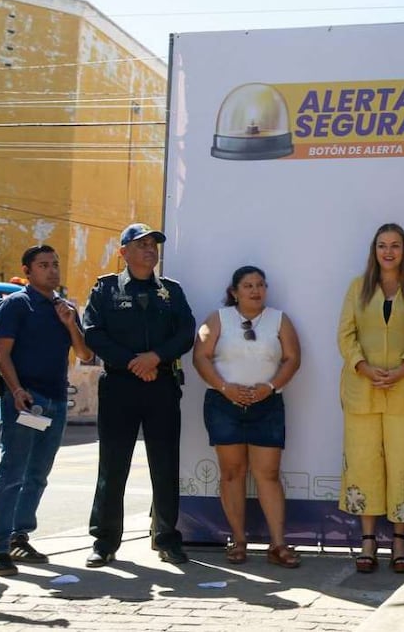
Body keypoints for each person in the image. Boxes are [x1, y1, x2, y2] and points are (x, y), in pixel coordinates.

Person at [82, 223, 196, 567]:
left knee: (164, 463)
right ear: (124, 253)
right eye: (142, 244)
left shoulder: (171, 291)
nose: (150, 250)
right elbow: (92, 332)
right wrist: (132, 362)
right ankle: (104, 540)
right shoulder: (105, 289)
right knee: (113, 464)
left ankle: (166, 536)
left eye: (153, 245)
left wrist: (155, 358)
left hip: (161, 384)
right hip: (119, 385)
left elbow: (186, 331)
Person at [0, 246, 93, 576]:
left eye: (55, 264)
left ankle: (19, 536)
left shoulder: (65, 308)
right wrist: (16, 390)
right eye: (43, 265)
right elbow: (2, 355)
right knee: (12, 474)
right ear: (28, 271)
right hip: (25, 401)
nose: (52, 270)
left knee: (37, 476)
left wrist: (70, 324)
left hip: (56, 401)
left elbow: (85, 354)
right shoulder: (15, 305)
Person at [338, 223, 404, 574]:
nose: (389, 252)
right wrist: (362, 366)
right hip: (362, 391)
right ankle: (367, 541)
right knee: (365, 462)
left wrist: (403, 368)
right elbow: (345, 335)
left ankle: (399, 539)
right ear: (374, 250)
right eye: (382, 245)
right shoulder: (357, 287)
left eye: (395, 245)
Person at [193, 266, 302, 568]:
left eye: (260, 285)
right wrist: (224, 388)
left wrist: (271, 387)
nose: (255, 290)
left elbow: (293, 358)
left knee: (267, 474)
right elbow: (200, 356)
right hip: (223, 404)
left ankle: (278, 545)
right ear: (234, 292)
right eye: (248, 285)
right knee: (232, 473)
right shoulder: (217, 319)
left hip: (267, 406)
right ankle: (238, 540)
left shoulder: (279, 319)